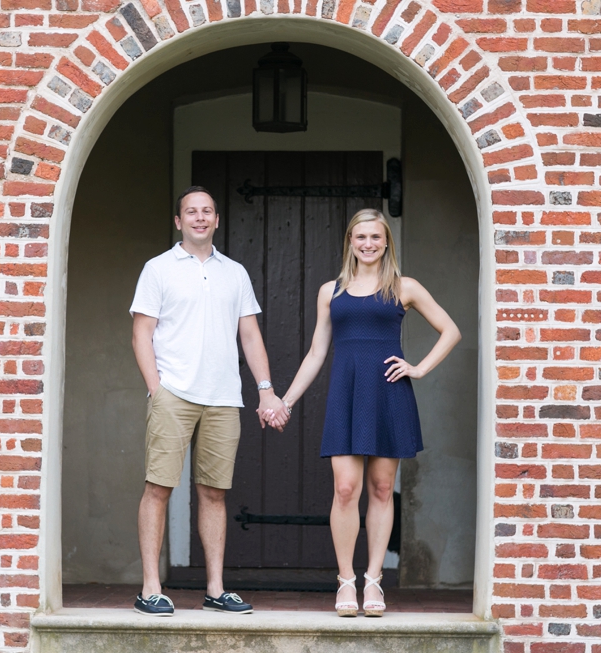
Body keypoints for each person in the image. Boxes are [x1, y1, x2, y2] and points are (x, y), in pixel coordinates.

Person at [265, 208, 460, 617]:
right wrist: (286, 400)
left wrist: (418, 368)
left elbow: (451, 330)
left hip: (388, 395)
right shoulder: (330, 291)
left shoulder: (403, 287)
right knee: (345, 489)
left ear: (386, 241)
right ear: (350, 242)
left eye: (375, 237)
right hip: (347, 395)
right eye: (360, 237)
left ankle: (374, 580)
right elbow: (317, 352)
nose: (368, 244)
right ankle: (345, 582)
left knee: (382, 489)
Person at [130, 186, 288, 616]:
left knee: (214, 494)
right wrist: (156, 388)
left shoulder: (234, 272)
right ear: (178, 222)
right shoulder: (158, 269)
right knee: (159, 487)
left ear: (217, 220)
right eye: (191, 212)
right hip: (173, 393)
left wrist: (266, 388)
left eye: (207, 212)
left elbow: (250, 334)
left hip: (223, 398)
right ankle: (150, 588)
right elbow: (141, 333)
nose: (200, 218)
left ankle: (216, 589)